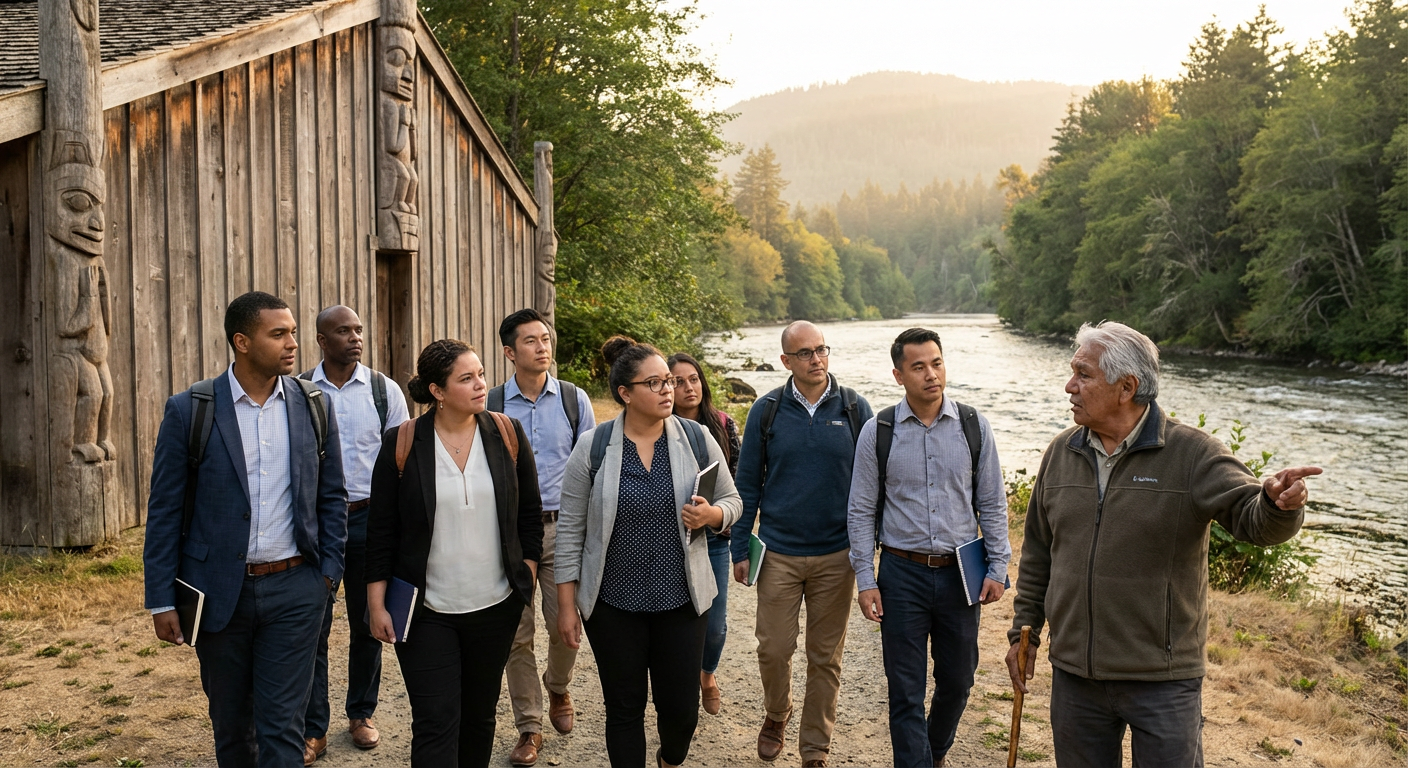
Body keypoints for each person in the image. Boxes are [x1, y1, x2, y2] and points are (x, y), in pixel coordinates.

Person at [1006, 321, 1322, 767]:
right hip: (1076, 675)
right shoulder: (1061, 453)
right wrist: (1025, 633)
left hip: (1162, 681)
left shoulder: (1193, 454)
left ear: (1126, 387)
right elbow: (1039, 552)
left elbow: (1255, 521)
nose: (1069, 386)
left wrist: (1280, 506)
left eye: (1083, 374)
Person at [143, 291, 348, 768]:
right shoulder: (189, 409)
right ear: (241, 342)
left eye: (293, 331)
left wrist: (326, 579)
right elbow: (165, 511)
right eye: (278, 334)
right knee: (233, 730)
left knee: (283, 729)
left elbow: (331, 496)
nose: (292, 343)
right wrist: (161, 598)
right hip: (217, 595)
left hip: (296, 589)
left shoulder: (313, 405)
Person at [556, 336, 742, 768]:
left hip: (682, 600)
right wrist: (567, 606)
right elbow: (570, 532)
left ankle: (669, 759)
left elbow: (733, 501)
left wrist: (712, 514)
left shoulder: (696, 438)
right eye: (655, 383)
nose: (667, 391)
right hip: (612, 604)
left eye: (670, 382)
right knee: (624, 710)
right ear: (625, 393)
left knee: (680, 712)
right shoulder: (595, 446)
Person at [364, 339, 544, 768]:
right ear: (438, 392)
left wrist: (527, 575)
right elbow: (381, 531)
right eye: (467, 378)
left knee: (479, 719)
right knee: (434, 721)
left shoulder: (507, 433)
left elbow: (530, 516)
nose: (481, 384)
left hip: (495, 608)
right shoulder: (401, 444)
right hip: (427, 611)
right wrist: (376, 604)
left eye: (481, 373)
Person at [847, 328, 1010, 768]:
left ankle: (933, 753)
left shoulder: (974, 426)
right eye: (918, 367)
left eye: (936, 363)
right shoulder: (877, 431)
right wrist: (866, 579)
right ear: (899, 375)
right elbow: (860, 511)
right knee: (904, 688)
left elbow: (992, 502)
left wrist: (998, 567)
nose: (931, 375)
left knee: (958, 680)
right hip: (901, 572)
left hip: (962, 572)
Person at [731, 320, 873, 768]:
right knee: (773, 648)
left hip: (837, 555)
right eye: (805, 353)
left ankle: (815, 747)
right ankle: (777, 713)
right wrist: (739, 546)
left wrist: (869, 552)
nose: (816, 359)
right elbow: (747, 481)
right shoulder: (766, 410)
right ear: (786, 361)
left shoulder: (854, 407)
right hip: (779, 553)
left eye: (821, 350)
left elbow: (874, 483)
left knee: (824, 657)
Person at [299, 305, 410, 765]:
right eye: (343, 331)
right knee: (312, 628)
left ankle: (361, 714)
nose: (355, 337)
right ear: (322, 341)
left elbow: (401, 464)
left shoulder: (385, 391)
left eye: (359, 329)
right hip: (317, 524)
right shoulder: (298, 392)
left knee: (370, 622)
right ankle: (313, 728)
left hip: (370, 519)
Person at [490, 308, 596, 767]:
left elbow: (595, 468)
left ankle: (558, 686)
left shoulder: (574, 400)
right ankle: (529, 726)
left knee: (566, 629)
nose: (542, 347)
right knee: (515, 634)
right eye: (530, 341)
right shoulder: (491, 402)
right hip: (510, 535)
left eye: (545, 338)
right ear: (511, 352)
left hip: (566, 528)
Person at [667, 352, 741, 717]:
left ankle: (706, 674)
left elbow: (738, 485)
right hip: (672, 536)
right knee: (678, 616)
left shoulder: (724, 425)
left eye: (693, 378)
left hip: (714, 535)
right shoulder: (659, 426)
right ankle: (678, 683)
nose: (688, 387)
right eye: (678, 381)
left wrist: (727, 524)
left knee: (715, 622)